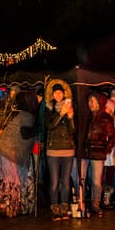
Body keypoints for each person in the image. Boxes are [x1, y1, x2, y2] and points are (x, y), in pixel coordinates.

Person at [0, 90, 39, 219]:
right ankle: (11, 207)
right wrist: (37, 128)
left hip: (3, 150)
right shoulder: (27, 116)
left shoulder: (14, 113)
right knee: (13, 181)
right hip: (13, 153)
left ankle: (1, 205)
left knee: (5, 180)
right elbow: (25, 134)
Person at [78, 91, 115, 217]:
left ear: (99, 102)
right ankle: (81, 203)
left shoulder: (105, 118)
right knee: (82, 179)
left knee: (96, 181)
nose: (91, 104)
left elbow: (112, 137)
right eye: (90, 101)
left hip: (98, 153)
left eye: (94, 101)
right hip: (85, 152)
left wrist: (105, 149)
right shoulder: (86, 117)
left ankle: (95, 204)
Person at [43, 80, 75, 220]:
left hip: (68, 149)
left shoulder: (69, 107)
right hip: (53, 150)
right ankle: (54, 205)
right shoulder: (48, 108)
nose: (58, 94)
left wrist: (71, 117)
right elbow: (50, 126)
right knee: (55, 181)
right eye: (55, 92)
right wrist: (61, 114)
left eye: (60, 92)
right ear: (52, 94)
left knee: (66, 181)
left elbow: (73, 130)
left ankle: (64, 205)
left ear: (64, 94)